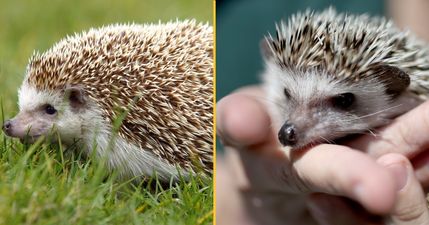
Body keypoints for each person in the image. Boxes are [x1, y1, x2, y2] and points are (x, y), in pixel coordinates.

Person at [216, 1, 429, 224]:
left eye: (342, 101)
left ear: (392, 88)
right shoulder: (243, 19)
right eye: (289, 94)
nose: (293, 126)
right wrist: (246, 206)